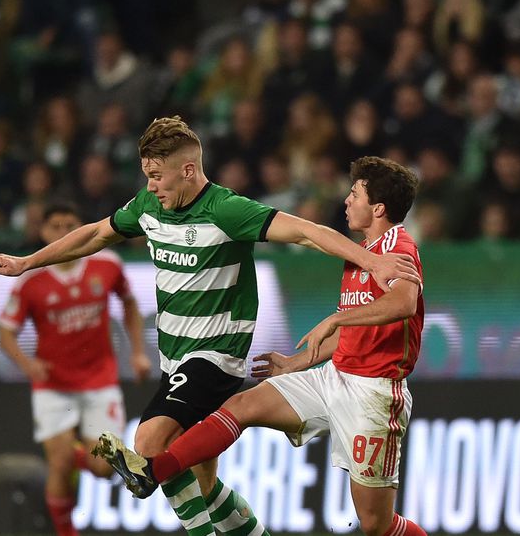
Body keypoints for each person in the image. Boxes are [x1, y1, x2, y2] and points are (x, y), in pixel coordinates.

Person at [0, 117, 420, 536]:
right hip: (179, 360)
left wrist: (369, 260)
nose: (151, 185)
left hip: (215, 356)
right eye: (146, 174)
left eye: (158, 175)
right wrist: (26, 262)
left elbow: (304, 231)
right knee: (204, 484)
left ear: (188, 170)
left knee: (148, 440)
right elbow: (95, 234)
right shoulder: (148, 205)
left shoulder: (227, 210)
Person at [95, 156, 429, 536]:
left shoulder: (398, 247)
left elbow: (403, 304)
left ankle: (156, 471)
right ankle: (155, 470)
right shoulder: (362, 252)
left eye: (355, 194)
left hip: (375, 393)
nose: (347, 201)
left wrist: (336, 318)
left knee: (376, 525)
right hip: (334, 377)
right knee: (241, 405)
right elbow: (355, 331)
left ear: (379, 208)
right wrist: (298, 361)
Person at [0, 203, 152, 536]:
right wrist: (27, 364)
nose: (64, 232)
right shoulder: (31, 279)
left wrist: (138, 352)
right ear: (44, 232)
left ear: (82, 226)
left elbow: (129, 302)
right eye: (56, 226)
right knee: (60, 461)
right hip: (53, 385)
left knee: (103, 468)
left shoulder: (106, 264)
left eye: (71, 225)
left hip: (99, 380)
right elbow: (5, 333)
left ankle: (85, 450)